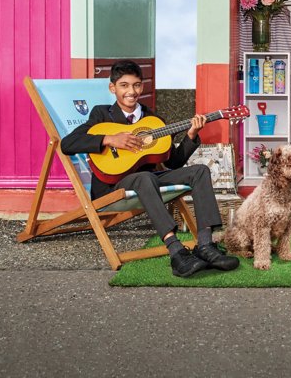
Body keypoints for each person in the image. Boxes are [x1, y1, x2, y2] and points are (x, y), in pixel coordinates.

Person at [61, 60, 239, 278]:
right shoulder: (101, 115)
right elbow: (67, 144)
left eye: (136, 85)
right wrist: (109, 139)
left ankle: (205, 246)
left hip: (149, 181)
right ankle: (176, 251)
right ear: (112, 88)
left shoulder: (154, 120)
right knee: (144, 176)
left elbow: (173, 162)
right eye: (124, 85)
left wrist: (191, 135)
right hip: (113, 185)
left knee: (199, 170)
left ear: (142, 87)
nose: (131, 91)